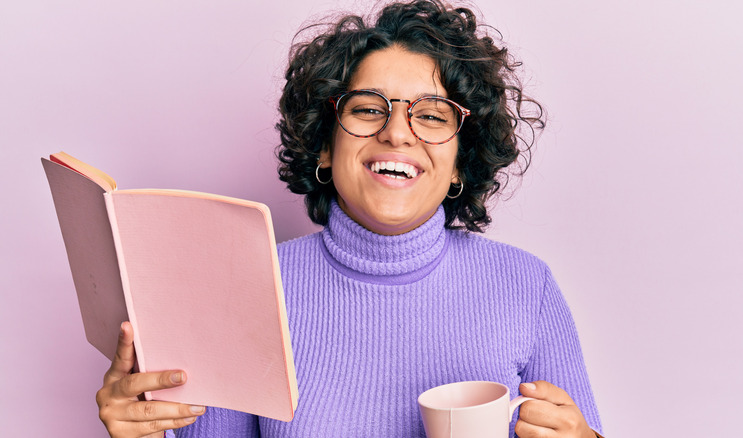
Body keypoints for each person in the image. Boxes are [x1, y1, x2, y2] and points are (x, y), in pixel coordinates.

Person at [96, 1, 604, 437]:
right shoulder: (239, 290)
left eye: (431, 115)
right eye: (367, 109)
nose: (398, 134)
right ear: (323, 145)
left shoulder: (526, 286)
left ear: (459, 166)